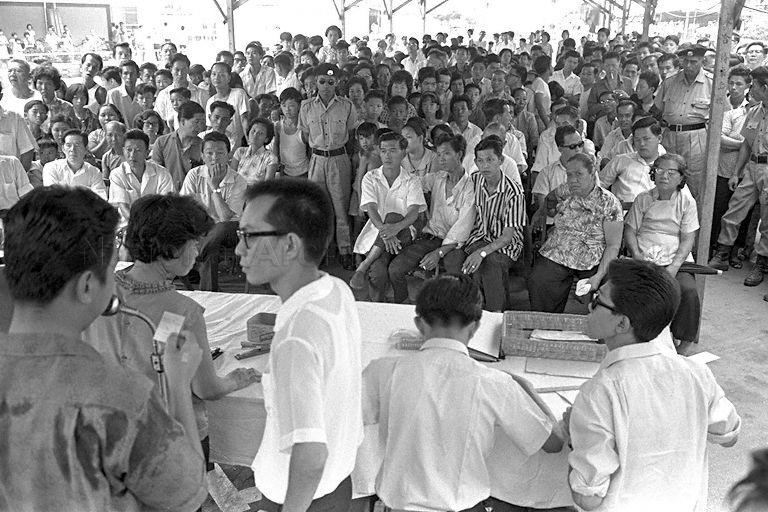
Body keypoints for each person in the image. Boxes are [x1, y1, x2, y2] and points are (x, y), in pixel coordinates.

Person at [0, 186, 207, 510]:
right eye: (112, 271)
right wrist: (179, 383)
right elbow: (187, 495)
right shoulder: (121, 398)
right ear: (86, 286)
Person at [362, 274, 563, 512]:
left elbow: (350, 419)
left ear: (419, 325)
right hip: (463, 506)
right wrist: (528, 391)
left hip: (398, 506)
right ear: (476, 326)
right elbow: (552, 443)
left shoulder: (382, 371)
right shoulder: (495, 383)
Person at [84, 192, 259, 457]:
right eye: (195, 244)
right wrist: (237, 378)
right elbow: (207, 389)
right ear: (173, 248)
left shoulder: (97, 288)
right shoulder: (184, 312)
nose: (198, 251)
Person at [567, 259, 740, 510]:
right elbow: (729, 436)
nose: (589, 305)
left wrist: (575, 436)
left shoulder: (599, 393)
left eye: (597, 300)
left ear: (622, 323)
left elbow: (588, 497)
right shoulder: (696, 374)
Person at [235, 178, 362, 512]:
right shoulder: (334, 288)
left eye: (249, 236)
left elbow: (310, 454)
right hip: (337, 485)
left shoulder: (296, 335)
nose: (238, 249)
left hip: (299, 498)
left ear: (290, 246)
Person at [624, 153, 700, 353]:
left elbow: (687, 239)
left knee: (687, 290)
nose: (664, 176)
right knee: (618, 285)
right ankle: (630, 336)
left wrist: (674, 267)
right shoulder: (643, 199)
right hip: (644, 256)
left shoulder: (686, 202)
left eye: (671, 172)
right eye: (659, 170)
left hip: (675, 258)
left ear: (681, 177)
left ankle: (684, 342)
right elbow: (630, 231)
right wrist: (638, 257)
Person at [529, 153, 623, 313]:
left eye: (578, 174)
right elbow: (549, 199)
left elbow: (613, 245)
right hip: (560, 249)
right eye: (569, 174)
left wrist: (598, 276)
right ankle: (545, 326)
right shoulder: (565, 191)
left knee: (610, 286)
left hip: (593, 256)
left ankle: (596, 329)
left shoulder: (609, 202)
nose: (573, 179)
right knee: (540, 279)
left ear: (592, 174)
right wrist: (542, 211)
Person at [387, 134, 475, 303]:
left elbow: (462, 229)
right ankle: (402, 304)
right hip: (430, 238)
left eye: (446, 154)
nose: (441, 159)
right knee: (395, 269)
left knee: (453, 272)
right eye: (439, 154)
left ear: (459, 154)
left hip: (455, 245)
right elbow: (412, 183)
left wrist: (439, 253)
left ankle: (453, 311)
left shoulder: (469, 187)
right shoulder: (437, 178)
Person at [710, 66, 768, 287]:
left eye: (754, 85)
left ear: (765, 87)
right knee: (734, 211)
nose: (751, 89)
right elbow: (746, 144)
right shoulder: (754, 111)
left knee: (767, 222)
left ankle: (760, 264)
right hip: (752, 167)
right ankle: (723, 254)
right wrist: (736, 173)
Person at [351, 132, 427, 300]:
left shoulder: (412, 180)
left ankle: (364, 265)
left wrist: (393, 228)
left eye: (392, 150)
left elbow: (414, 212)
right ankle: (378, 308)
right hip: (379, 236)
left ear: (403, 152)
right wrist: (387, 233)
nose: (387, 155)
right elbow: (370, 208)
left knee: (393, 215)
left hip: (406, 233)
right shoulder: (370, 178)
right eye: (383, 150)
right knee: (378, 272)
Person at [299, 63, 358, 270]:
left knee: (340, 207)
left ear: (338, 82)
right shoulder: (306, 106)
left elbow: (351, 136)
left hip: (339, 160)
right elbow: (306, 136)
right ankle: (320, 251)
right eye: (322, 81)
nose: (326, 86)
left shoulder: (347, 105)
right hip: (317, 160)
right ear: (315, 82)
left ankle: (345, 251)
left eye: (331, 82)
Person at [459, 136, 526, 312]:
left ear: (501, 160)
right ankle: (480, 310)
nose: (485, 165)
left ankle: (496, 313)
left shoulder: (514, 191)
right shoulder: (474, 180)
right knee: (474, 264)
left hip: (506, 243)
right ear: (475, 162)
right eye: (480, 161)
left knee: (490, 263)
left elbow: (507, 237)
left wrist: (481, 253)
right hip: (479, 236)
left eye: (490, 160)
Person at [654, 45, 712, 199]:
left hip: (696, 137)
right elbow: (658, 109)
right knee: (666, 177)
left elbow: (723, 114)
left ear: (702, 61)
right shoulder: (670, 82)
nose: (688, 65)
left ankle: (693, 221)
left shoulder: (711, 83)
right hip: (670, 135)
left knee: (694, 182)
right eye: (685, 61)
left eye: (693, 61)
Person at [712, 66, 752, 258]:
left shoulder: (752, 108)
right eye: (732, 82)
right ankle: (715, 248)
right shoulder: (722, 105)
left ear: (747, 86)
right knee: (720, 209)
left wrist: (738, 143)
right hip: (723, 168)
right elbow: (717, 138)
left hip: (746, 169)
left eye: (739, 84)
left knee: (742, 214)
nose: (734, 87)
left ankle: (734, 251)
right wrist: (745, 145)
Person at [108, 129, 175, 225]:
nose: (132, 155)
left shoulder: (162, 173)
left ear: (147, 153)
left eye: (138, 150)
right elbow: (123, 207)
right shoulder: (117, 174)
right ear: (123, 151)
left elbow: (166, 205)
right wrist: (139, 226)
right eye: (129, 150)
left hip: (157, 224)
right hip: (129, 225)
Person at [599, 116, 662, 204]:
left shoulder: (668, 166)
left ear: (659, 139)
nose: (642, 144)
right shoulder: (620, 161)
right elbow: (598, 187)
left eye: (646, 139)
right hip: (623, 213)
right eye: (637, 140)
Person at [152, 100, 206, 190]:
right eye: (196, 122)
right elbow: (157, 174)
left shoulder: (203, 146)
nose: (200, 126)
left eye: (202, 122)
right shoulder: (162, 143)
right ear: (182, 121)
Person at [43, 129, 106, 199]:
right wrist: (86, 192)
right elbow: (52, 196)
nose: (72, 149)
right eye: (68, 145)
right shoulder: (51, 167)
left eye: (77, 145)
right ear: (63, 148)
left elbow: (100, 199)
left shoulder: (94, 172)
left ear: (86, 149)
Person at [154, 53, 209, 129]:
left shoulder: (201, 94)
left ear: (188, 70)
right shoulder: (163, 95)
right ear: (171, 70)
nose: (180, 74)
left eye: (183, 70)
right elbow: (159, 120)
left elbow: (207, 122)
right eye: (177, 70)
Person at [273, 87, 309, 178]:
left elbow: (311, 151)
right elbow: (276, 146)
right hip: (284, 172)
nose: (287, 109)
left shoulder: (304, 126)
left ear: (299, 105)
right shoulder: (278, 126)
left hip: (304, 172)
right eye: (284, 105)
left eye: (291, 105)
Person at [0, 82, 35, 171]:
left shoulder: (15, 119)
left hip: (9, 180)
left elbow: (27, 152)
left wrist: (19, 179)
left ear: (0, 96)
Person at [232, 117, 279, 183]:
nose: (255, 135)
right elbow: (231, 177)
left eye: (260, 133)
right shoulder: (240, 152)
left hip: (256, 192)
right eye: (253, 131)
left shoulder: (270, 158)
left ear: (266, 139)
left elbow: (267, 186)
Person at [597, 99, 636, 167]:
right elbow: (602, 157)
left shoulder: (639, 136)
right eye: (620, 116)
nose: (623, 119)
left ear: (634, 117)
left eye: (627, 116)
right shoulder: (612, 135)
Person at [107, 59, 143, 128]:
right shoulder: (113, 94)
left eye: (132, 73)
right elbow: (112, 118)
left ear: (138, 75)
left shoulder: (142, 93)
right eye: (125, 73)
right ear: (121, 75)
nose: (129, 77)